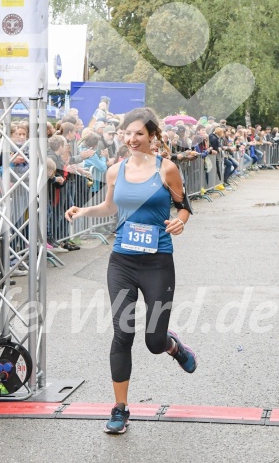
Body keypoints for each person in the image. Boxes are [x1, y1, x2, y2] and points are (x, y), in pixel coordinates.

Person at [65, 107, 197, 435]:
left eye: (139, 133)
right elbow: (111, 206)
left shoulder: (167, 170)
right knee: (123, 333)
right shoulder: (115, 170)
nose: (132, 139)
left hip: (157, 263)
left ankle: (173, 347)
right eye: (128, 133)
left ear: (152, 136)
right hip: (122, 261)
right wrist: (84, 211)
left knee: (153, 340)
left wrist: (178, 223)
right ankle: (120, 409)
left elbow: (184, 207)